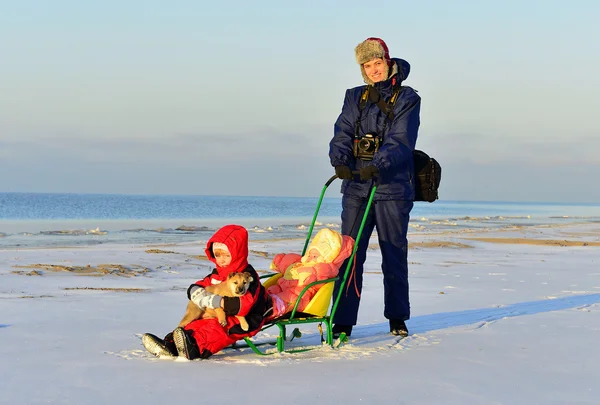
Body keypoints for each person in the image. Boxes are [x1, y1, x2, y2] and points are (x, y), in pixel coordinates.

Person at [328, 37, 421, 338]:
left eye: (376, 63)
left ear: (387, 62)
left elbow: (402, 141)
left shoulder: (407, 98)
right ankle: (342, 320)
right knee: (348, 253)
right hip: (356, 186)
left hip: (392, 187)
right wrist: (340, 160)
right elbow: (343, 130)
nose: (373, 70)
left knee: (393, 252)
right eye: (367, 66)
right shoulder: (354, 96)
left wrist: (377, 164)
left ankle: (397, 317)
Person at [142, 224, 269, 360]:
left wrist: (215, 301)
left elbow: (244, 305)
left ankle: (194, 347)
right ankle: (170, 344)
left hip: (250, 317)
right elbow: (200, 285)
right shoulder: (218, 273)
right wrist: (197, 293)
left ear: (237, 253)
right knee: (194, 322)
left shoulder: (248, 276)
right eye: (218, 255)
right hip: (220, 311)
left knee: (216, 327)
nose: (222, 259)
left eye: (226, 255)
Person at [265, 228, 353, 319]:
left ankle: (272, 307)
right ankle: (260, 302)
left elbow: (319, 275)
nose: (310, 258)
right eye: (309, 255)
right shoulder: (302, 263)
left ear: (325, 258)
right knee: (273, 289)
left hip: (302, 296)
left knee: (291, 296)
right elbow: (290, 262)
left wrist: (310, 273)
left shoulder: (324, 268)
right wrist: (281, 260)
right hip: (285, 287)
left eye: (315, 256)